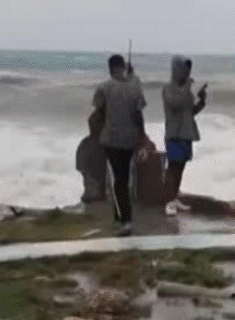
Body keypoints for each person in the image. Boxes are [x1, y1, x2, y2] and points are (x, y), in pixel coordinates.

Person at [92, 54, 153, 236]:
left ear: (110, 68)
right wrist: (142, 135)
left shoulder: (104, 87)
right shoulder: (134, 86)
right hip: (130, 140)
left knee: (117, 181)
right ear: (124, 67)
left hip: (111, 140)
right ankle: (121, 216)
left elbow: (99, 112)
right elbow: (138, 115)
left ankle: (125, 221)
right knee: (126, 178)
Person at [162, 55, 207, 216]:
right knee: (173, 167)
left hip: (186, 133)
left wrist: (201, 101)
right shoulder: (168, 88)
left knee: (181, 167)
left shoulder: (186, 91)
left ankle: (174, 197)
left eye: (188, 70)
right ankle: (168, 201)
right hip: (174, 134)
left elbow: (189, 112)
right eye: (184, 69)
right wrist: (188, 88)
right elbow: (175, 104)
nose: (187, 73)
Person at [75, 109, 107, 206]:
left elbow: (80, 167)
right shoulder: (109, 145)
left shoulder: (85, 144)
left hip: (91, 196)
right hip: (98, 196)